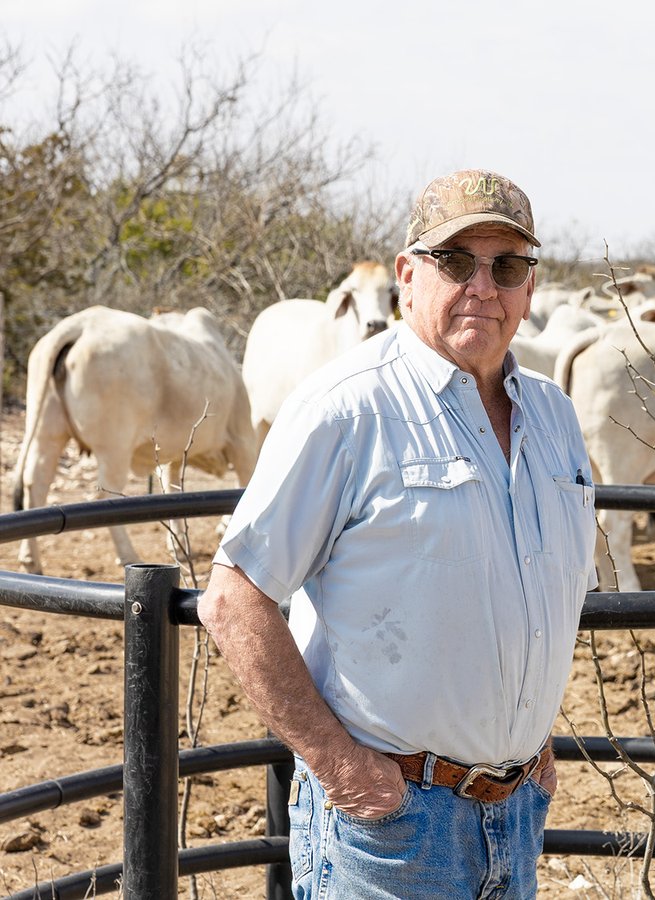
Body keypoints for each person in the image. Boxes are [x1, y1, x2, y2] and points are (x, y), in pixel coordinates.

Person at [199, 168, 597, 898]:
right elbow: (235, 598)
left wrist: (531, 741)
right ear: (407, 277)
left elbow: (538, 589)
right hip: (391, 821)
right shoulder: (347, 409)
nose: (483, 286)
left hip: (515, 812)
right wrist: (340, 768)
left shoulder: (554, 417)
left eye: (507, 266)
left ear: (531, 289)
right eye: (456, 263)